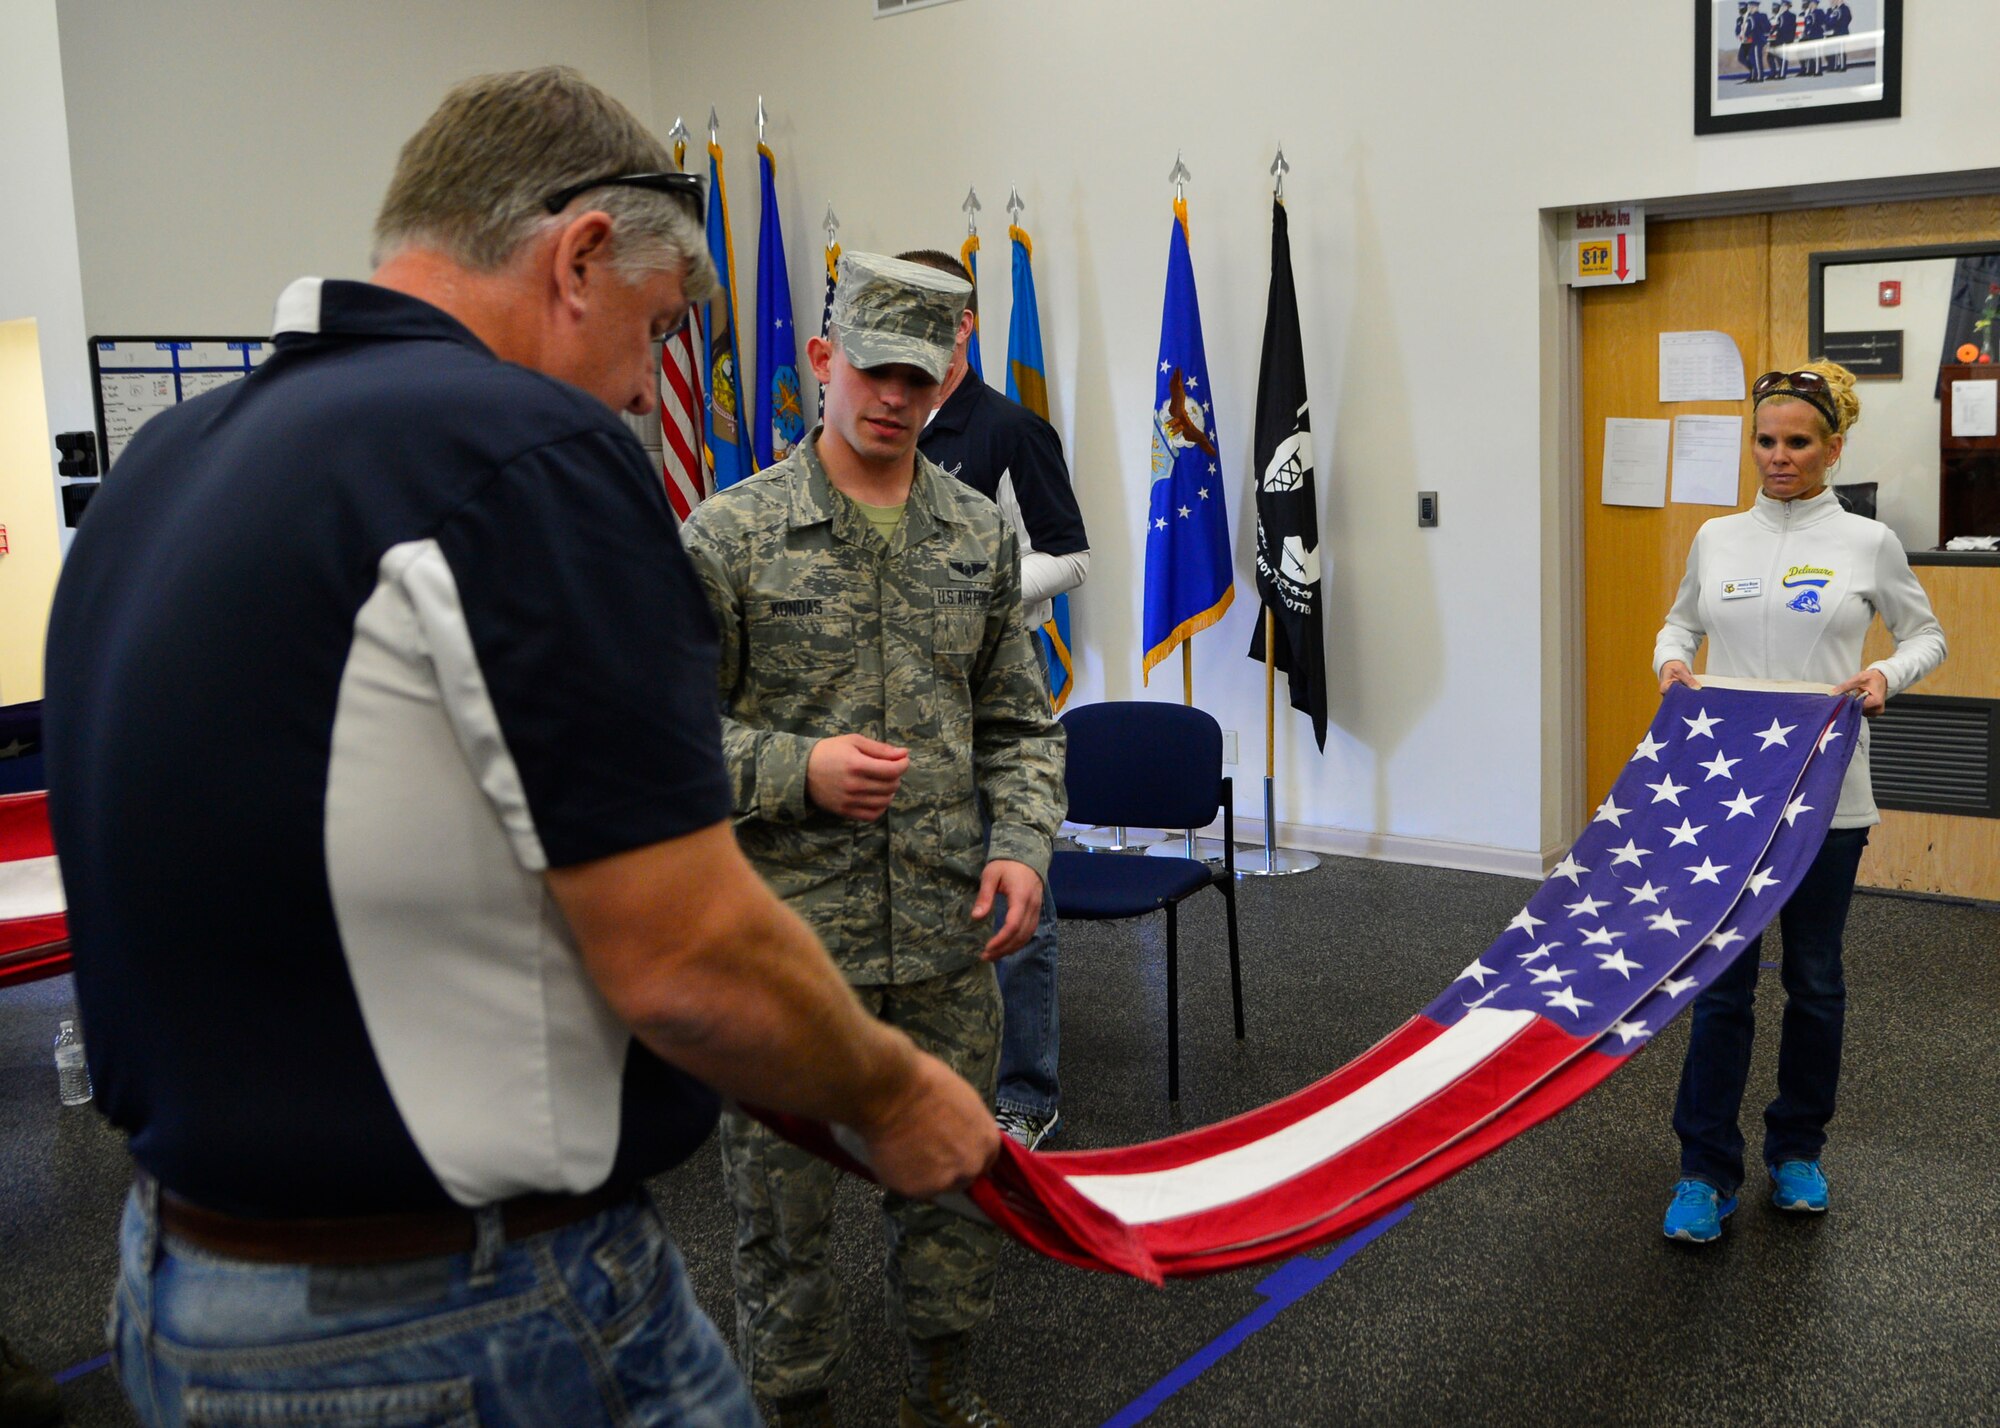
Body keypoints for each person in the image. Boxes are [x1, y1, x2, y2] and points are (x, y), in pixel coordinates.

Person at [42, 68, 999, 1428]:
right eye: (657, 330)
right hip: (456, 1314)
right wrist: (896, 1091)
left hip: (182, 1287)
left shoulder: (166, 465)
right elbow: (686, 954)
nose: (640, 385)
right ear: (581, 256)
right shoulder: (517, 448)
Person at [679, 253, 1065, 1428]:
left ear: (948, 376)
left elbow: (1017, 720)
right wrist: (799, 770)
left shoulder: (971, 535)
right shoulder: (728, 538)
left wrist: (1022, 847)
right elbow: (658, 748)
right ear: (819, 362)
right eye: (872, 371)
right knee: (780, 1211)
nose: (893, 400)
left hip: (948, 941)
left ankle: (945, 1390)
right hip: (788, 953)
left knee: (952, 1187)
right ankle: (793, 1408)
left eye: (919, 378)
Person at [1653, 361, 1946, 1243]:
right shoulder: (1717, 537)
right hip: (1731, 801)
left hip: (1829, 799)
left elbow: (1925, 634)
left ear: (1833, 448)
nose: (1778, 458)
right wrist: (1670, 664)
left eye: (1797, 442)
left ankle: (1797, 1151)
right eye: (1766, 440)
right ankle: (1704, 1170)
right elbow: (1679, 624)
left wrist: (1887, 673)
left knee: (1814, 982)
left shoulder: (1867, 541)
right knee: (1722, 987)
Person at [899, 246, 1091, 1153]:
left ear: (964, 323)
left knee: (1021, 903)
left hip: (994, 703)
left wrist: (980, 587)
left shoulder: (1009, 429)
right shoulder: (879, 423)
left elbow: (1074, 553)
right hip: (903, 710)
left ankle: (1027, 1092)